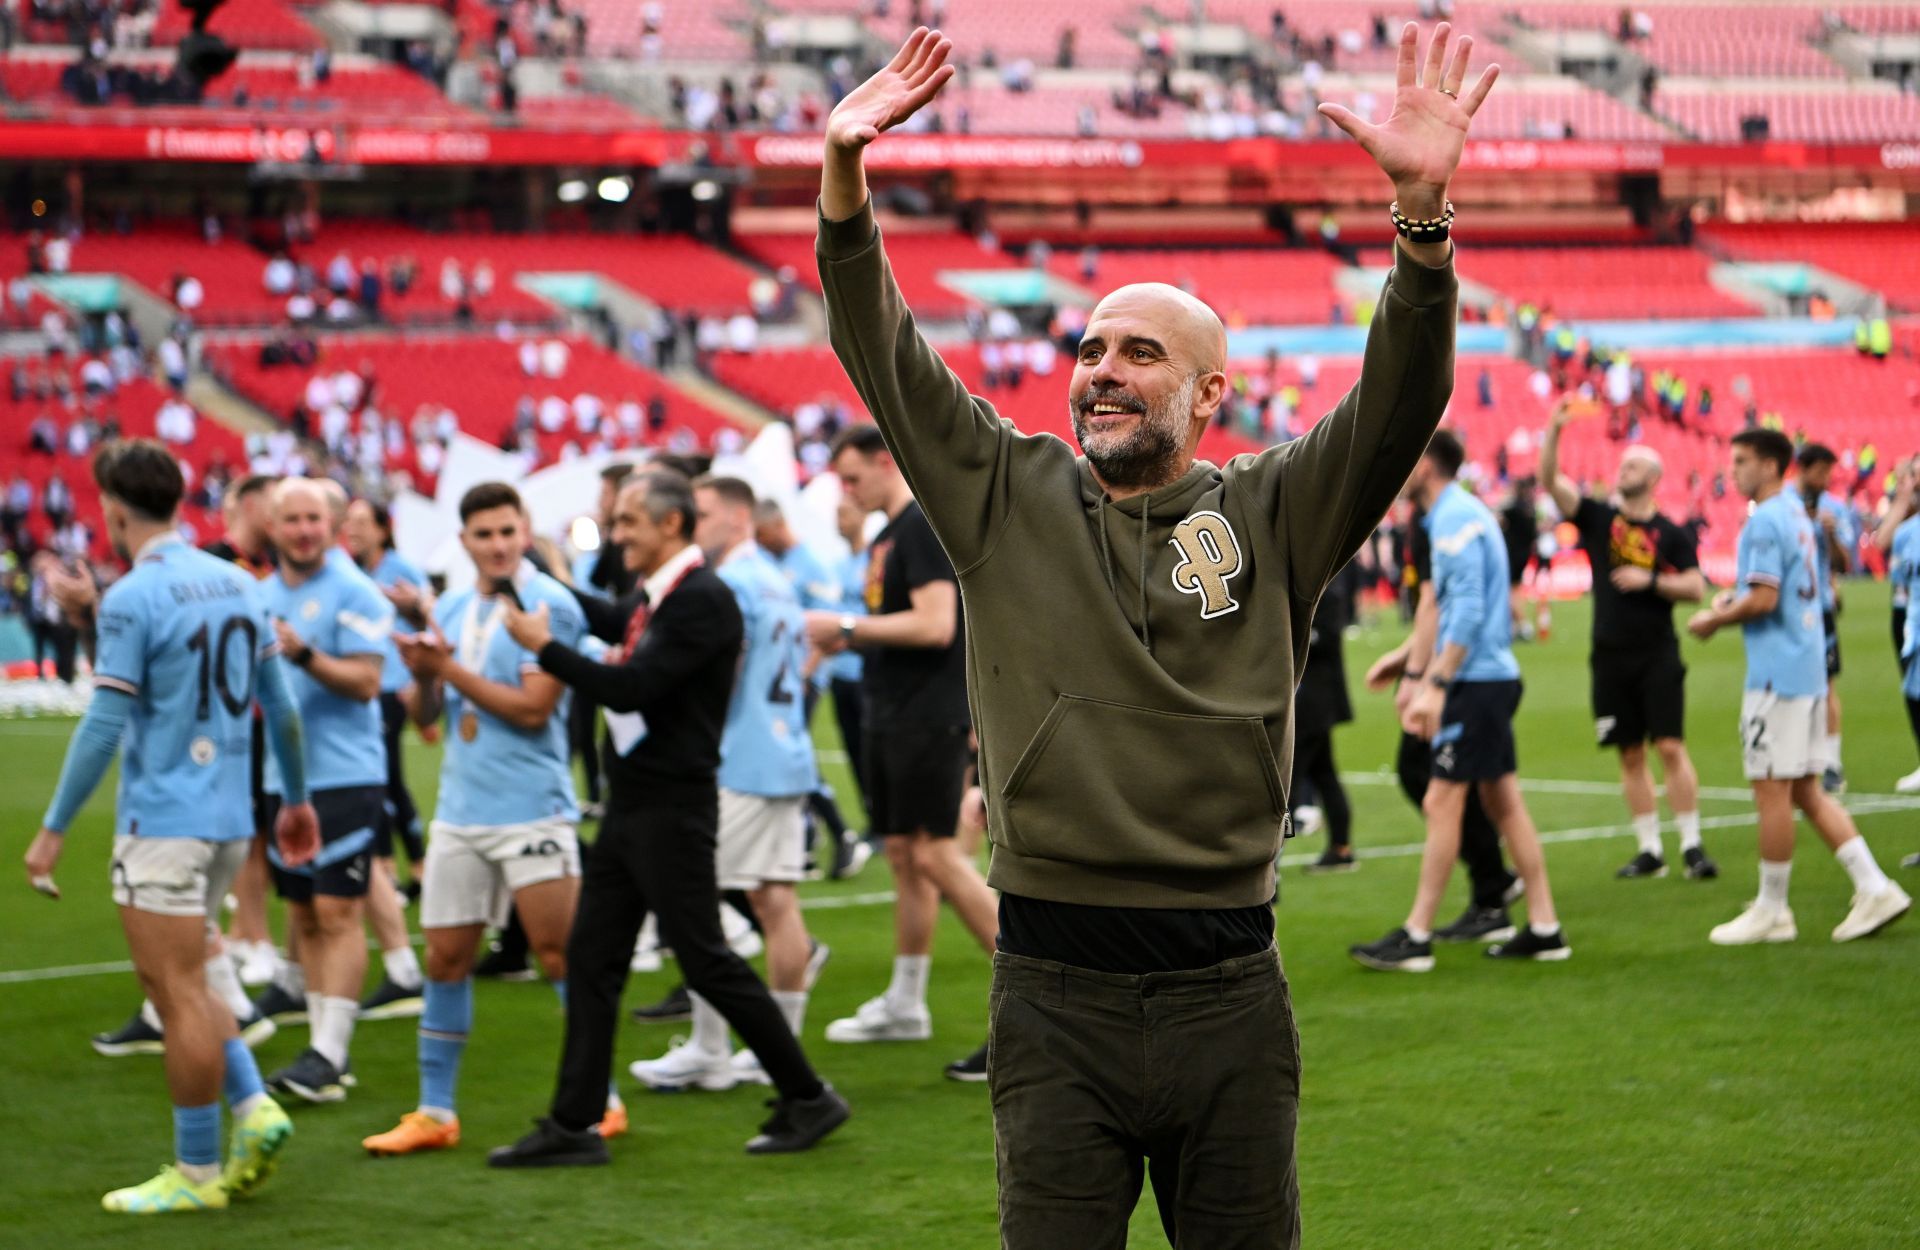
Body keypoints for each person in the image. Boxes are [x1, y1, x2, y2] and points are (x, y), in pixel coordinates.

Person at [815, 22, 1494, 1244]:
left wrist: (1422, 226)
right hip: (1049, 992)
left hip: (1227, 994)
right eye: (1088, 350)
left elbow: (1403, 398)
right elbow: (888, 358)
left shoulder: (1276, 508)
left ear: (1209, 391)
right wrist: (845, 182)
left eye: (1141, 352)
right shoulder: (1003, 492)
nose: (1102, 371)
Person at [488, 470, 848, 1165]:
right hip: (637, 807)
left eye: (628, 522)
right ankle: (574, 1123)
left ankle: (808, 1096)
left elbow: (631, 687)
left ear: (671, 527)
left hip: (671, 809)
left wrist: (545, 647)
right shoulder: (669, 594)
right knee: (595, 960)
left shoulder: (701, 600)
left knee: (706, 960)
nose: (616, 533)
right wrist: (532, 580)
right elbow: (615, 621)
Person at [22, 439, 316, 1213]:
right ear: (180, 503)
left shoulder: (135, 596)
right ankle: (254, 1109)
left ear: (114, 512)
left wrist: (54, 829)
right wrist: (296, 798)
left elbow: (103, 724)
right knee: (203, 969)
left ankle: (194, 1173)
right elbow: (279, 707)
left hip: (163, 820)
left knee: (173, 990)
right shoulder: (237, 584)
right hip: (228, 821)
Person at [361, 482, 608, 1156]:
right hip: (462, 811)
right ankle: (435, 1111)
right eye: (484, 534)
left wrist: (448, 669)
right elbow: (424, 717)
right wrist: (427, 674)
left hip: (533, 806)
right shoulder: (455, 604)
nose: (498, 545)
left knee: (560, 957)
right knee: (445, 959)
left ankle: (602, 1097)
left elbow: (534, 709)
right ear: (464, 541)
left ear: (525, 533)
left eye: (508, 531)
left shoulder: (551, 603)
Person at [803, 424, 998, 1082]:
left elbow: (936, 623)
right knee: (904, 858)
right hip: (899, 715)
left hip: (927, 718)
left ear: (888, 461)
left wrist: (844, 629)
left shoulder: (919, 526)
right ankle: (907, 1002)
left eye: (854, 476)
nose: (847, 490)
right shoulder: (892, 531)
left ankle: (1042, 1006)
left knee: (936, 857)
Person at [628, 476, 828, 1092]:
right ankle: (776, 1042)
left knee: (696, 899)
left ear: (740, 518)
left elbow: (721, 674)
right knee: (773, 900)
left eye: (705, 512)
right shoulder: (775, 577)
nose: (692, 520)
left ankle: (710, 1048)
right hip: (783, 751)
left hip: (740, 757)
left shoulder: (733, 584)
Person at [1352, 431, 1568, 972]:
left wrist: (1436, 685)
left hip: (1475, 685)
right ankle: (1544, 926)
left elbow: (1467, 610)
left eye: (1407, 458)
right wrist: (1407, 660)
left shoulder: (1451, 519)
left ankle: (1417, 935)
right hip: (1485, 681)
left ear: (1428, 464)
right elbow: (1449, 607)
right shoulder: (1458, 514)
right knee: (1504, 804)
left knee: (1442, 803)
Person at [1686, 430, 1910, 944]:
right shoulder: (1798, 515)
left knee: (1771, 789)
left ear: (1769, 466)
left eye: (1742, 461)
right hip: (1807, 667)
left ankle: (1772, 909)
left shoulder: (1765, 519)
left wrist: (1714, 621)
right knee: (1807, 788)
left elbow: (1764, 599)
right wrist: (1733, 601)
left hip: (1776, 674)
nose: (1734, 470)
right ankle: (1873, 886)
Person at [257, 479, 394, 1103]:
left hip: (343, 775)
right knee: (305, 913)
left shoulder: (353, 591)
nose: (304, 530)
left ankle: (331, 1053)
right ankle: (319, 1049)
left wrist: (304, 654)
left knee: (339, 912)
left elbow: (367, 682)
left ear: (332, 523)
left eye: (314, 518)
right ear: (273, 527)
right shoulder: (258, 595)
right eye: (293, 520)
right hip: (280, 779)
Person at [1539, 397, 1714, 880]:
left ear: (1654, 478)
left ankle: (1693, 844)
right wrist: (1554, 431)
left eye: (1634, 464)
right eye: (1622, 464)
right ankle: (1650, 850)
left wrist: (1650, 582)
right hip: (1609, 655)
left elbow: (1697, 587)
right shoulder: (1598, 519)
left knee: (1671, 748)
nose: (1623, 470)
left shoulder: (1672, 533)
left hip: (1657, 653)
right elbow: (1550, 481)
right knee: (1630, 753)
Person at [1366, 499, 1523, 942]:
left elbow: (1441, 604)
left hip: (1464, 674)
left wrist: (1421, 678)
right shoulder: (1440, 515)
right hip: (1462, 671)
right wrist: (1404, 662)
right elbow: (1437, 605)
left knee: (1439, 783)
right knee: (1482, 791)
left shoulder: (1441, 516)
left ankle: (1434, 924)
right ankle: (1505, 893)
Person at [755, 497, 867, 879]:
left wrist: (804, 676)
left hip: (802, 679)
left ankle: (839, 833)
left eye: (761, 532)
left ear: (775, 525)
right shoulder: (775, 562)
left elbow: (827, 628)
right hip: (783, 678)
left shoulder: (810, 564)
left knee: (792, 755)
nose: (758, 540)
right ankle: (805, 835)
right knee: (785, 755)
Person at [1794, 444, 1853, 795]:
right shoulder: (1783, 504)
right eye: (1822, 471)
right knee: (1796, 685)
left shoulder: (1835, 509)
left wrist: (1829, 534)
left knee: (1827, 684)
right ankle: (1801, 757)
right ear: (1804, 469)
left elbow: (1845, 562)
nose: (1827, 479)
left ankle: (1832, 763)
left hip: (1821, 610)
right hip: (1789, 610)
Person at [1295, 558, 1359, 872]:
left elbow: (1325, 637)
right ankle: (1341, 848)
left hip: (1315, 699)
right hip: (1316, 698)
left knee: (1291, 778)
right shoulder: (1322, 582)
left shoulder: (1327, 587)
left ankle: (1271, 857)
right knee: (1324, 774)